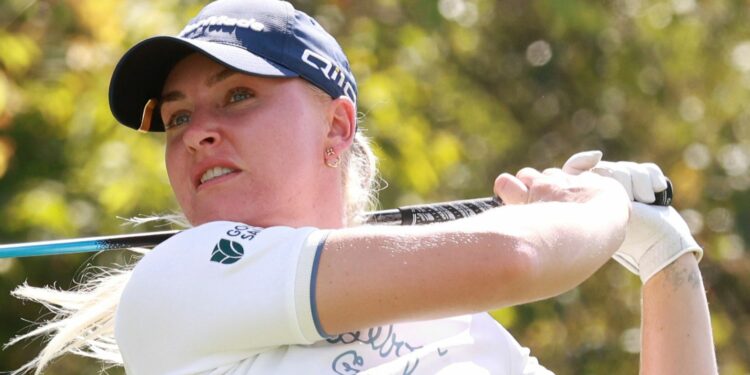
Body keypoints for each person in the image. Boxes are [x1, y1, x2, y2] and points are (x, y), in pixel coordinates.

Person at [8, 0, 717, 374]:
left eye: (237, 97)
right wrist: (604, 208)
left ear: (336, 128)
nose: (196, 131)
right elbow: (519, 259)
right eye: (178, 116)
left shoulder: (459, 329)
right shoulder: (181, 283)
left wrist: (667, 262)